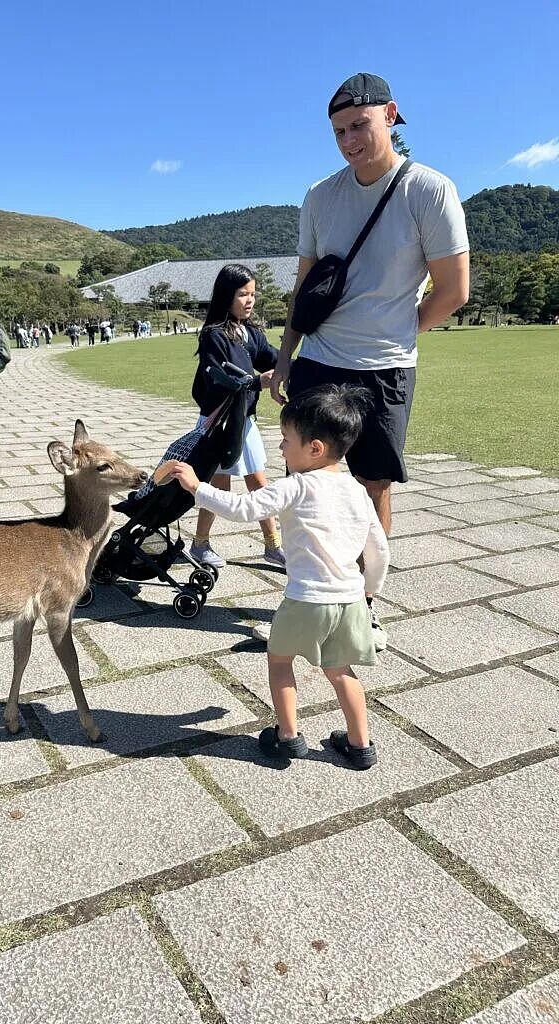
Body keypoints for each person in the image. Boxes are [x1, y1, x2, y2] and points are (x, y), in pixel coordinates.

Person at [270, 73, 469, 650]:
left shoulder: (429, 189)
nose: (350, 140)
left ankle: (363, 604)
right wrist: (285, 357)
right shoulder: (320, 195)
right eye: (339, 132)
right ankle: (308, 594)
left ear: (391, 115)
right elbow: (305, 288)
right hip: (320, 359)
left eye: (359, 125)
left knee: (373, 484)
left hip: (384, 365)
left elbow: (454, 290)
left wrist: (398, 333)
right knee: (305, 485)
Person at [168, 384, 389, 768]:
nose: (282, 449)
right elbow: (379, 550)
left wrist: (196, 487)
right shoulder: (356, 491)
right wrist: (369, 593)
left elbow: (241, 507)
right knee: (341, 672)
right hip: (351, 600)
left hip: (306, 600)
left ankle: (287, 737)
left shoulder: (296, 485)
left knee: (280, 661)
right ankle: (360, 745)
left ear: (315, 448)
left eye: (286, 441)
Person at [188, 263, 285, 569]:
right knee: (219, 487)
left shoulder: (250, 331)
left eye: (253, 293)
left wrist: (299, 365)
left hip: (244, 421)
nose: (250, 300)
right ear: (226, 296)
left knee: (258, 483)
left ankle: (272, 546)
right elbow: (221, 380)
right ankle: (200, 544)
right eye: (243, 294)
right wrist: (259, 381)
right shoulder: (213, 336)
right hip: (220, 422)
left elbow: (273, 358)